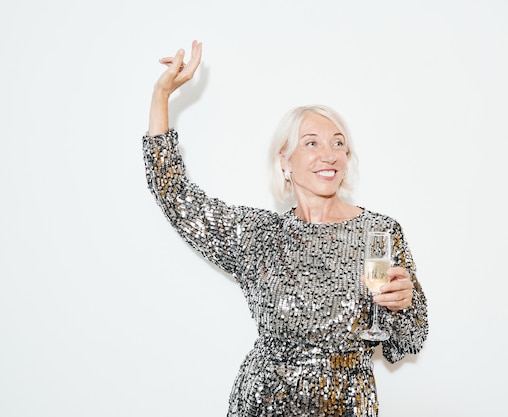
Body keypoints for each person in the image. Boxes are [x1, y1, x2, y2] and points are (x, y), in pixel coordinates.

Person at [142, 40, 428, 417]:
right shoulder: (260, 236)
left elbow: (410, 339)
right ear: (285, 161)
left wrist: (406, 304)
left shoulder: (379, 233)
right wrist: (161, 96)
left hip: (345, 405)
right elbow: (175, 195)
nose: (329, 154)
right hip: (263, 403)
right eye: (311, 143)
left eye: (338, 144)